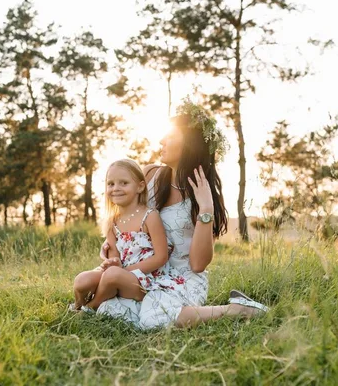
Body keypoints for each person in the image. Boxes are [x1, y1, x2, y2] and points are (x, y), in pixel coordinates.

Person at [97, 98, 269, 329]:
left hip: (183, 279)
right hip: (149, 273)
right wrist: (112, 246)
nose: (162, 140)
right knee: (109, 311)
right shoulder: (149, 176)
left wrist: (206, 211)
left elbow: (198, 264)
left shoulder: (205, 197)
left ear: (189, 143)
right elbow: (124, 220)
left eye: (170, 136)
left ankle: (236, 309)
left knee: (152, 320)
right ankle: (168, 309)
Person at [71, 159, 184, 313]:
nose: (116, 188)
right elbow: (114, 258)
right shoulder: (112, 222)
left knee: (112, 276)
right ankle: (78, 305)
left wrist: (124, 271)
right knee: (81, 280)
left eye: (123, 183)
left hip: (146, 279)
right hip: (118, 273)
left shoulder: (150, 216)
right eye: (111, 184)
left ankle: (90, 308)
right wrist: (111, 263)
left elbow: (161, 257)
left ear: (140, 186)